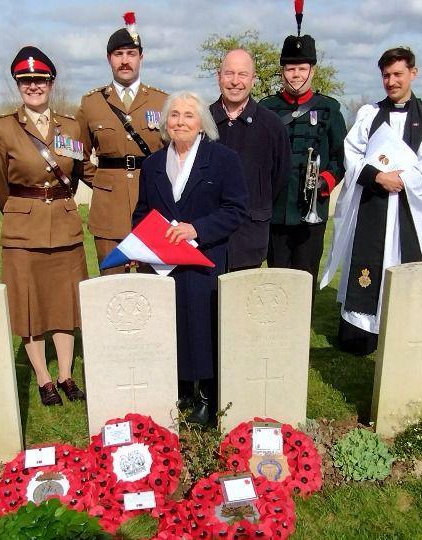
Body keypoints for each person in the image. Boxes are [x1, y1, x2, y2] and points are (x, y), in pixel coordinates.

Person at [319, 47, 422, 355]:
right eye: (386, 75)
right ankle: (361, 334)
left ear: (413, 73)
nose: (391, 81)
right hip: (375, 203)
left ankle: (405, 331)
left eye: (398, 74)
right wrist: (377, 177)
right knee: (370, 265)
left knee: (404, 263)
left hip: (411, 208)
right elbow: (351, 153)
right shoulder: (369, 114)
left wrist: (404, 180)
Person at [133, 91, 248, 425]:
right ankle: (181, 388)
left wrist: (196, 229)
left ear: (202, 123)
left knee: (203, 325)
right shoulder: (152, 164)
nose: (180, 122)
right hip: (165, 264)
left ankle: (206, 396)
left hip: (204, 258)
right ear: (165, 123)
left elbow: (236, 209)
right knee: (172, 326)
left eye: (188, 115)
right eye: (174, 115)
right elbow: (143, 211)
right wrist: (150, 238)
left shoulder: (223, 159)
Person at [0, 46, 88, 406]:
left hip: (64, 225)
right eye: (26, 80)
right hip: (22, 229)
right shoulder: (4, 128)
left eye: (39, 80)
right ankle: (43, 378)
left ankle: (66, 375)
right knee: (29, 306)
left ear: (51, 82)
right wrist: (20, 212)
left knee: (64, 302)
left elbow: (77, 172)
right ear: (18, 84)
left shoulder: (72, 126)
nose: (33, 86)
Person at [76, 12, 167, 275]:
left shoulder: (162, 102)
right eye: (118, 54)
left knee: (154, 291)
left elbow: (174, 153)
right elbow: (77, 156)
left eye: (131, 53)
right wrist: (104, 180)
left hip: (153, 210)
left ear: (141, 57)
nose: (125, 61)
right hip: (108, 212)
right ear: (109, 59)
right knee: (111, 290)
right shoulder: (91, 104)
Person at [260, 25, 346, 290]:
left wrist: (325, 181)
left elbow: (340, 157)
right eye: (290, 68)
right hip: (276, 210)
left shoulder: (329, 109)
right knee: (277, 275)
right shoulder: (266, 108)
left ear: (312, 70)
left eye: (302, 68)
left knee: (306, 274)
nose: (295, 74)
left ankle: (300, 328)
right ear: (282, 71)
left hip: (312, 209)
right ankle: (277, 328)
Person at [210, 49, 290, 271]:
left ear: (253, 79)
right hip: (207, 241)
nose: (235, 81)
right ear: (219, 76)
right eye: (229, 73)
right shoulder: (201, 123)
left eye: (243, 74)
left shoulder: (272, 125)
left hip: (249, 239)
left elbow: (279, 177)